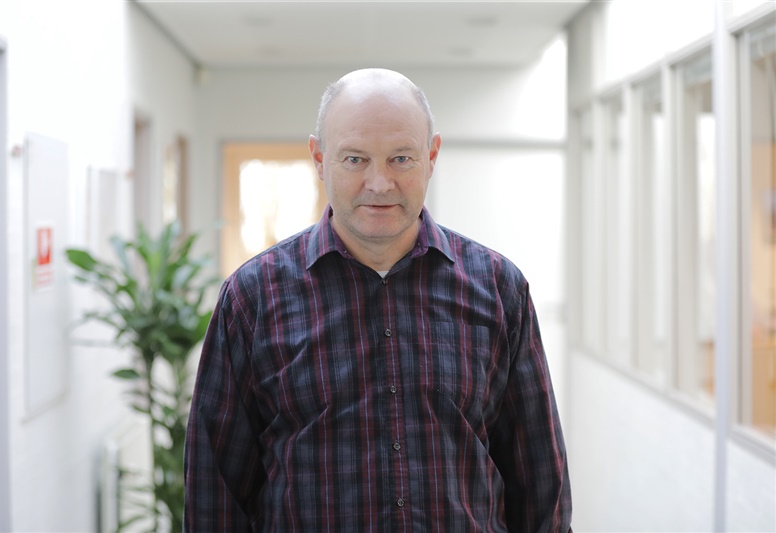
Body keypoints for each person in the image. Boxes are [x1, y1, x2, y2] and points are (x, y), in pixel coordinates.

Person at [184, 68, 572, 532]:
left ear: (432, 156)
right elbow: (214, 495)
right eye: (355, 159)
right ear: (319, 158)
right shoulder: (252, 299)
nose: (380, 182)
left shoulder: (499, 289)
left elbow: (540, 485)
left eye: (401, 158)